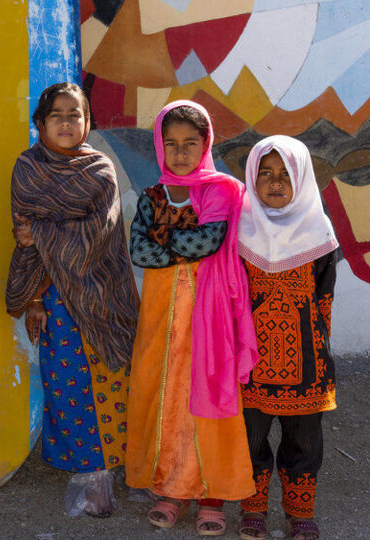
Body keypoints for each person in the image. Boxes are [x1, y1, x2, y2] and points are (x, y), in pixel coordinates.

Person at [124, 100, 259, 535]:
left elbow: (211, 241)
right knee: (163, 394)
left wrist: (167, 241)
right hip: (160, 318)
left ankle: (212, 494)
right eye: (171, 144)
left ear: (206, 144)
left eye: (190, 144)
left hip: (210, 315)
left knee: (208, 395)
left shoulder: (222, 190)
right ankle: (170, 490)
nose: (181, 153)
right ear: (161, 149)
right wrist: (181, 242)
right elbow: (138, 250)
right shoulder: (152, 196)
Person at [5, 82, 139, 517]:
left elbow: (98, 236)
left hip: (101, 295)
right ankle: (90, 475)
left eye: (75, 114)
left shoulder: (99, 169)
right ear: (39, 124)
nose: (66, 122)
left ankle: (114, 471)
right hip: (56, 301)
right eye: (57, 115)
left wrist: (41, 233)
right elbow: (24, 240)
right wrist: (36, 301)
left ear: (87, 121)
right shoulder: (27, 168)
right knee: (67, 386)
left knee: (110, 380)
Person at [236, 136, 339, 540]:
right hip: (251, 363)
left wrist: (317, 350)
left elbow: (325, 299)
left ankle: (300, 514)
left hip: (306, 368)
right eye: (265, 173)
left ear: (302, 178)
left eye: (285, 174)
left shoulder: (319, 233)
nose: (275, 182)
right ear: (252, 177)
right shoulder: (240, 232)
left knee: (304, 444)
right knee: (250, 440)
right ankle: (253, 509)